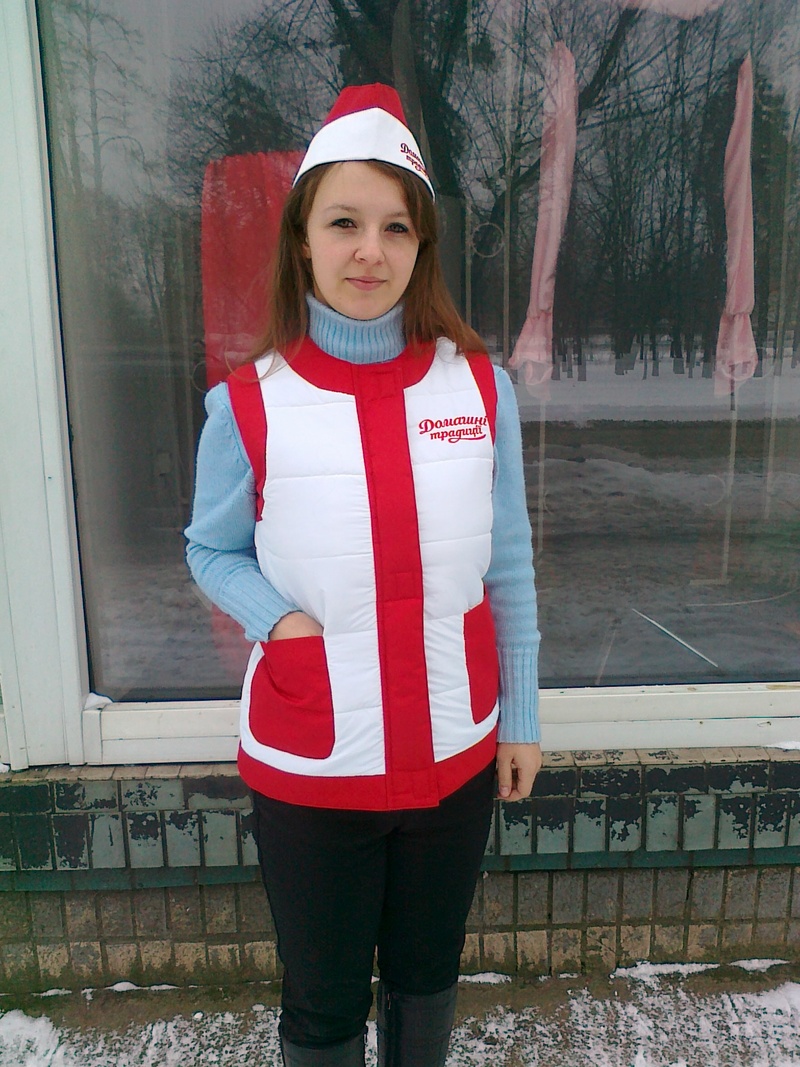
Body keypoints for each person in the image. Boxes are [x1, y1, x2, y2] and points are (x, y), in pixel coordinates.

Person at [185, 83, 542, 1067]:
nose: (369, 251)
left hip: (454, 749)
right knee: (326, 998)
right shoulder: (248, 404)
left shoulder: (478, 386)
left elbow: (509, 561)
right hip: (315, 768)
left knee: (426, 976)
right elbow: (209, 548)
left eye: (395, 227)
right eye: (343, 222)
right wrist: (280, 621)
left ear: (421, 245)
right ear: (303, 238)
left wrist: (519, 715)